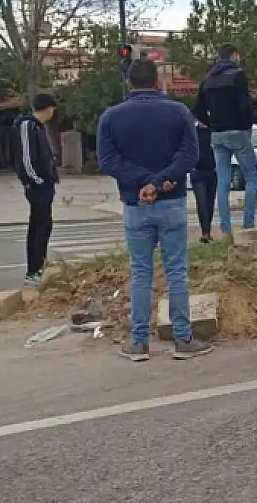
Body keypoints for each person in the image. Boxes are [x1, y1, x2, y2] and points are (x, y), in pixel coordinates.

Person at [96, 58, 213, 362]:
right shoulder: (178, 112)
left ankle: (138, 342)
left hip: (135, 204)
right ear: (158, 81)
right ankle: (183, 339)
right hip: (171, 201)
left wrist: (143, 183)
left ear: (129, 83)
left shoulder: (111, 117)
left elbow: (108, 161)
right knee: (177, 272)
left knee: (141, 274)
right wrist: (160, 183)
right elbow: (190, 154)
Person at [193, 43, 257, 238]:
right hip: (238, 131)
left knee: (222, 180)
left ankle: (225, 229)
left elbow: (197, 110)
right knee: (252, 178)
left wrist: (212, 123)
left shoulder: (208, 79)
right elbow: (245, 104)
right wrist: (246, 126)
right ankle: (248, 225)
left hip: (217, 134)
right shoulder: (237, 75)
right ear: (234, 55)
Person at [12, 93, 60, 287]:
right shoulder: (27, 125)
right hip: (36, 185)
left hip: (45, 185)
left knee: (45, 225)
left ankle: (39, 264)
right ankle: (33, 269)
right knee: (39, 226)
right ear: (48, 108)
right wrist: (37, 180)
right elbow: (27, 159)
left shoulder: (38, 127)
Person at [190, 121, 217, 242]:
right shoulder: (192, 131)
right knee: (201, 202)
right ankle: (205, 232)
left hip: (212, 171)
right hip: (197, 172)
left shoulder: (214, 130)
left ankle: (208, 230)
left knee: (210, 202)